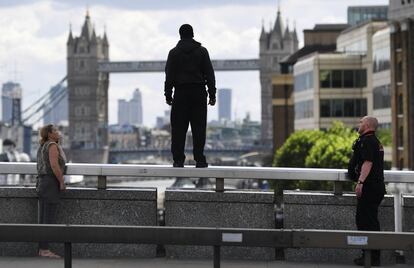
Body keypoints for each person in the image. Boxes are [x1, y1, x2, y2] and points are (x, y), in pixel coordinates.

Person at [164, 24, 216, 168]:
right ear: (192, 34)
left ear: (180, 35)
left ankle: (178, 159)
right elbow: (210, 74)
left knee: (178, 128)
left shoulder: (173, 53)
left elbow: (169, 76)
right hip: (198, 93)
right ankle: (199, 159)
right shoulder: (202, 52)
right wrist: (212, 95)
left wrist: (168, 95)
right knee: (199, 128)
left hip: (180, 93)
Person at [348, 116, 386, 266]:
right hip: (374, 187)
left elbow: (368, 163)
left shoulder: (368, 141)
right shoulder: (373, 141)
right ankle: (371, 256)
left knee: (366, 222)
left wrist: (360, 182)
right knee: (369, 221)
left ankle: (371, 257)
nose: (359, 124)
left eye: (361, 122)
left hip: (369, 187)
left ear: (368, 125)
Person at [36, 124, 66, 258]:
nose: (58, 132)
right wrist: (61, 181)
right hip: (50, 183)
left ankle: (42, 248)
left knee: (43, 217)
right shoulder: (52, 146)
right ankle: (45, 250)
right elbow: (54, 165)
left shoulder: (42, 146)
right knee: (48, 218)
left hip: (42, 183)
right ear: (49, 134)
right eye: (55, 131)